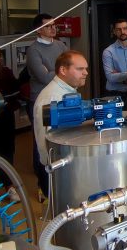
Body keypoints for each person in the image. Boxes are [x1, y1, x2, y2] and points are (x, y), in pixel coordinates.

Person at [33, 50, 89, 196]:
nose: (86, 73)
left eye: (86, 68)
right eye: (80, 69)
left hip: (64, 164)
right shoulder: (52, 98)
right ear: (63, 70)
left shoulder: (67, 91)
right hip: (57, 167)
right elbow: (51, 140)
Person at [26, 13, 68, 198]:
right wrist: (63, 71)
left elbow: (70, 67)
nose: (53, 29)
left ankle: (60, 181)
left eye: (54, 25)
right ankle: (43, 185)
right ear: (39, 29)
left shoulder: (60, 45)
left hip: (62, 97)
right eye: (49, 26)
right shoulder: (33, 50)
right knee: (42, 142)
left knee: (62, 137)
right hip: (42, 100)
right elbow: (43, 77)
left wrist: (56, 71)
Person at [102, 18, 127, 105]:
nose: (122, 31)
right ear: (114, 32)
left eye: (125, 28)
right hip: (114, 94)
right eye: (118, 29)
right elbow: (110, 78)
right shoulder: (108, 52)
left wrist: (119, 75)